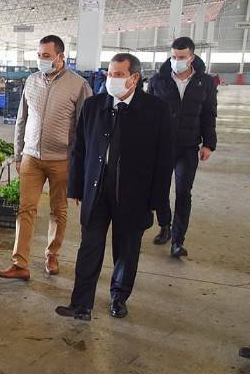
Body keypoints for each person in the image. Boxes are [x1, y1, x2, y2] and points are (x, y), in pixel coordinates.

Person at [55, 53, 172, 321]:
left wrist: (157, 200)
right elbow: (80, 148)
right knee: (90, 247)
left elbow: (163, 159)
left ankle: (118, 298)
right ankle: (81, 304)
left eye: (118, 75)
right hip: (97, 189)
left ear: (134, 78)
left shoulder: (156, 110)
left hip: (134, 194)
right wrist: (77, 187)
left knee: (127, 249)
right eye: (109, 73)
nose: (111, 79)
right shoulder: (94, 105)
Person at [0, 35, 92, 280]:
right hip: (31, 156)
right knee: (25, 209)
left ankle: (52, 255)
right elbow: (21, 119)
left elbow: (86, 129)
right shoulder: (31, 81)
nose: (41, 60)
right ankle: (20, 263)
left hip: (62, 159)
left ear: (61, 57)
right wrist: (19, 154)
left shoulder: (78, 85)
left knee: (58, 210)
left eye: (46, 56)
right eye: (39, 55)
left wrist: (80, 166)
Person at [147, 37, 217, 258]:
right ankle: (165, 225)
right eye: (174, 57)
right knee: (160, 188)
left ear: (192, 58)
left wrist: (208, 144)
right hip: (162, 145)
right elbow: (147, 114)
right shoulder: (159, 81)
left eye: (182, 57)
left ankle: (178, 240)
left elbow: (209, 114)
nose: (177, 61)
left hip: (188, 147)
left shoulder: (204, 82)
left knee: (183, 192)